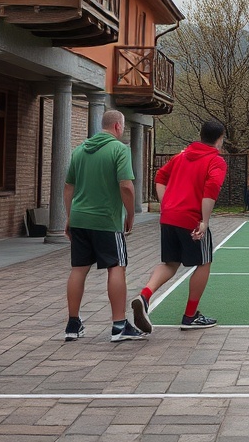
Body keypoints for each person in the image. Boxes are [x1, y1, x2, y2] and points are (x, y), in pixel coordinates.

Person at [131, 118, 227, 332]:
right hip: (191, 219)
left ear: (201, 135)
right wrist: (204, 222)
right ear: (220, 139)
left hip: (169, 217)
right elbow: (211, 190)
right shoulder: (216, 161)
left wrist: (166, 204)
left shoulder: (181, 156)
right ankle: (190, 316)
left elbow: (160, 177)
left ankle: (144, 296)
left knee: (170, 263)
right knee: (204, 262)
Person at [63, 109, 145, 342]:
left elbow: (68, 187)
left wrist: (70, 217)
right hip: (107, 220)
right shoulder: (119, 149)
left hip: (80, 219)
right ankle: (119, 326)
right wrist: (130, 214)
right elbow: (126, 186)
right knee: (116, 266)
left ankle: (72, 325)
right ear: (118, 126)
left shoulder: (79, 150)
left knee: (79, 268)